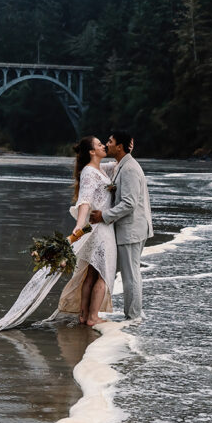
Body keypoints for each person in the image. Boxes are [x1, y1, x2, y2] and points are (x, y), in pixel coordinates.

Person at [89, 130, 153, 320]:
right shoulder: (121, 165)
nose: (107, 144)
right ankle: (132, 315)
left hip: (132, 230)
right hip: (129, 229)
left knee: (130, 275)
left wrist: (104, 216)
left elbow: (129, 203)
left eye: (110, 141)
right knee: (129, 274)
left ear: (119, 146)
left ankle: (133, 318)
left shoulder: (130, 169)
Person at [56, 136, 117, 327]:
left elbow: (118, 163)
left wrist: (128, 147)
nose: (103, 146)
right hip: (99, 229)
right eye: (99, 145)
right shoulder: (90, 172)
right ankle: (93, 317)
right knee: (103, 273)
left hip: (98, 228)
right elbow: (85, 200)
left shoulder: (99, 169)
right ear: (92, 151)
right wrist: (79, 225)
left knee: (91, 273)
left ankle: (84, 315)